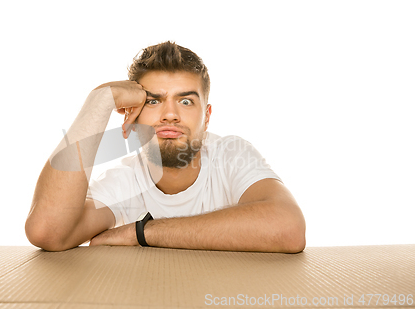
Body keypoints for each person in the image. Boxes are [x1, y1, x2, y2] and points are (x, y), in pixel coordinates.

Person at [25, 41, 306, 253]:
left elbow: (289, 229)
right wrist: (100, 100)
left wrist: (141, 233)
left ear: (206, 117)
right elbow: (47, 231)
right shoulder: (124, 182)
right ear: (131, 116)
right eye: (153, 100)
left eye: (185, 101)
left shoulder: (231, 155)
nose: (170, 114)